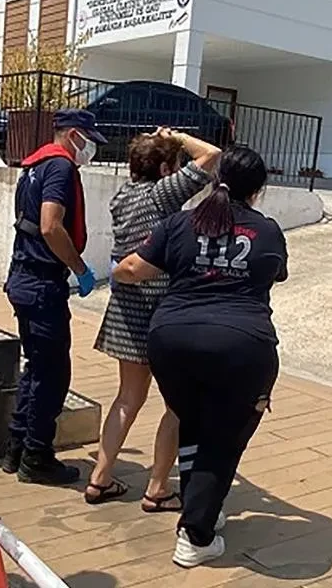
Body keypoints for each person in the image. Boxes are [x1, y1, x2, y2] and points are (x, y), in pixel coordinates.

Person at [114, 146, 287, 568]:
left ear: (216, 179)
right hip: (242, 346)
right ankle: (196, 535)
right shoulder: (267, 231)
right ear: (258, 190)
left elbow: (132, 268)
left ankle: (200, 508)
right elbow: (276, 274)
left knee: (192, 424)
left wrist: (107, 274)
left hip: (171, 342)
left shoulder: (180, 222)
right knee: (223, 439)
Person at [85, 128, 219, 509]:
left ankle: (100, 479)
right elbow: (211, 155)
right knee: (178, 403)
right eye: (174, 164)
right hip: (161, 310)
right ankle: (158, 488)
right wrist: (176, 136)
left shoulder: (122, 196)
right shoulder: (162, 194)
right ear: (164, 169)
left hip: (126, 308)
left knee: (127, 398)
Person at [2, 109, 107, 485]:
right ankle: (37, 456)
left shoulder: (35, 166)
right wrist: (79, 267)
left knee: (36, 367)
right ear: (74, 135)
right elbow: (50, 225)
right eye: (89, 140)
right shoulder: (60, 168)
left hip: (22, 279)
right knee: (53, 374)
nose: (90, 149)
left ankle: (16, 448)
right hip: (42, 283)